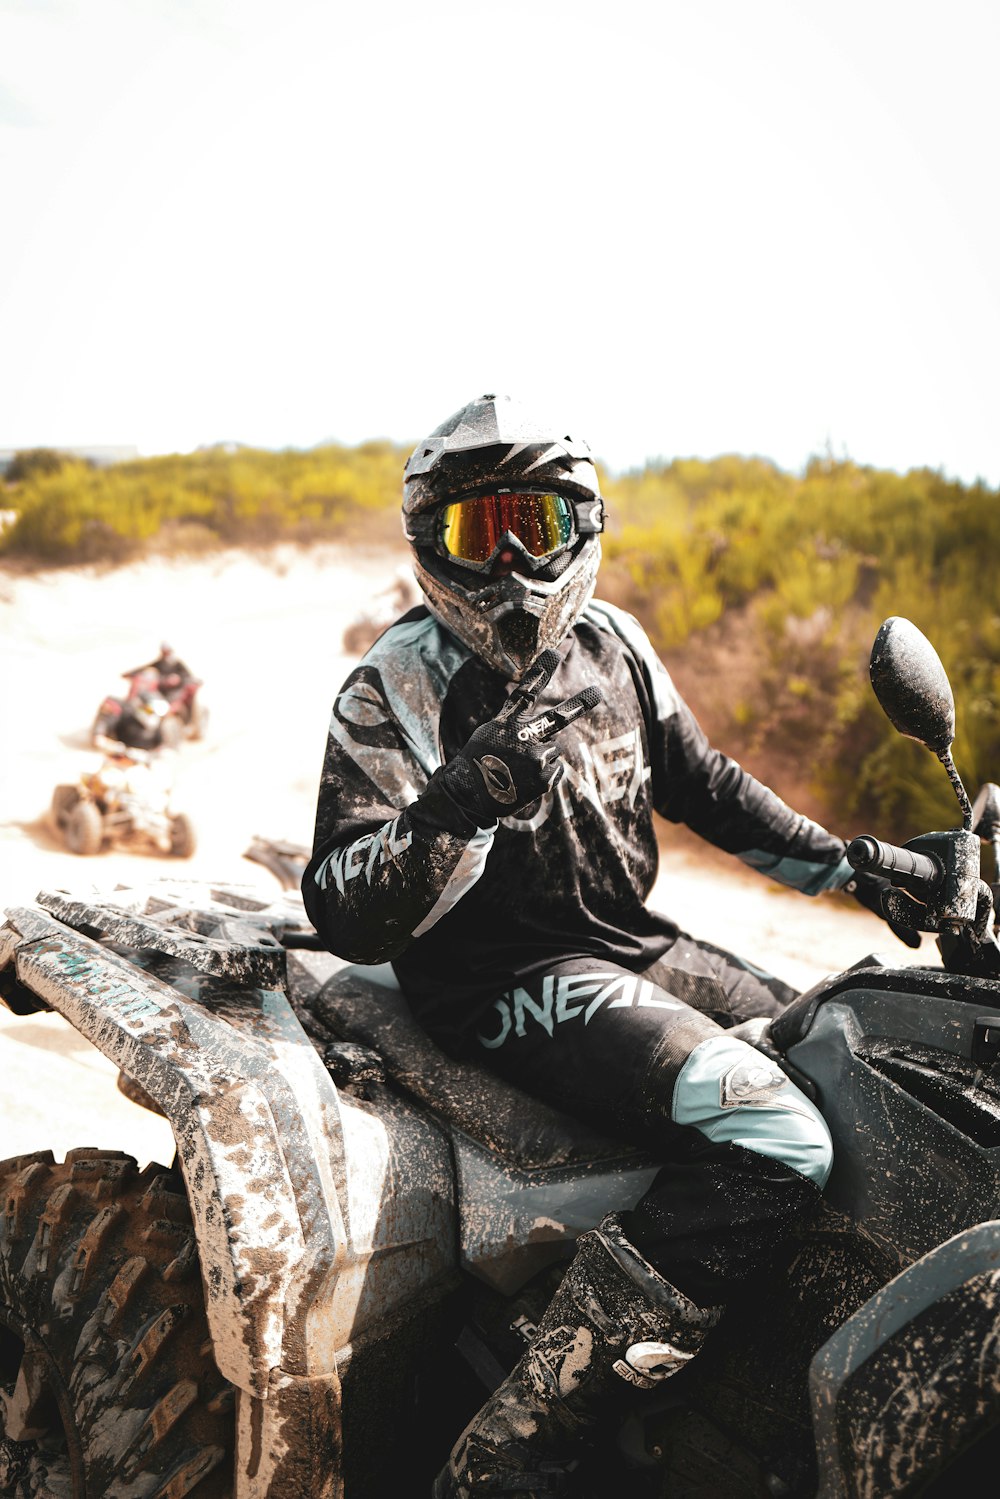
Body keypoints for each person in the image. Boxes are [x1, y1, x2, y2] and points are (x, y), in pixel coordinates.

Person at [301, 394, 917, 1497]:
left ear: (583, 524)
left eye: (533, 526)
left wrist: (856, 864)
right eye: (475, 533)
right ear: (427, 545)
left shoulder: (615, 640)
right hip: (503, 979)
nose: (509, 565)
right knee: (779, 1132)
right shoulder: (394, 682)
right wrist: (456, 806)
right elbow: (339, 904)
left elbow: (706, 788)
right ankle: (529, 1430)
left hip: (633, 943)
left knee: (858, 1044)